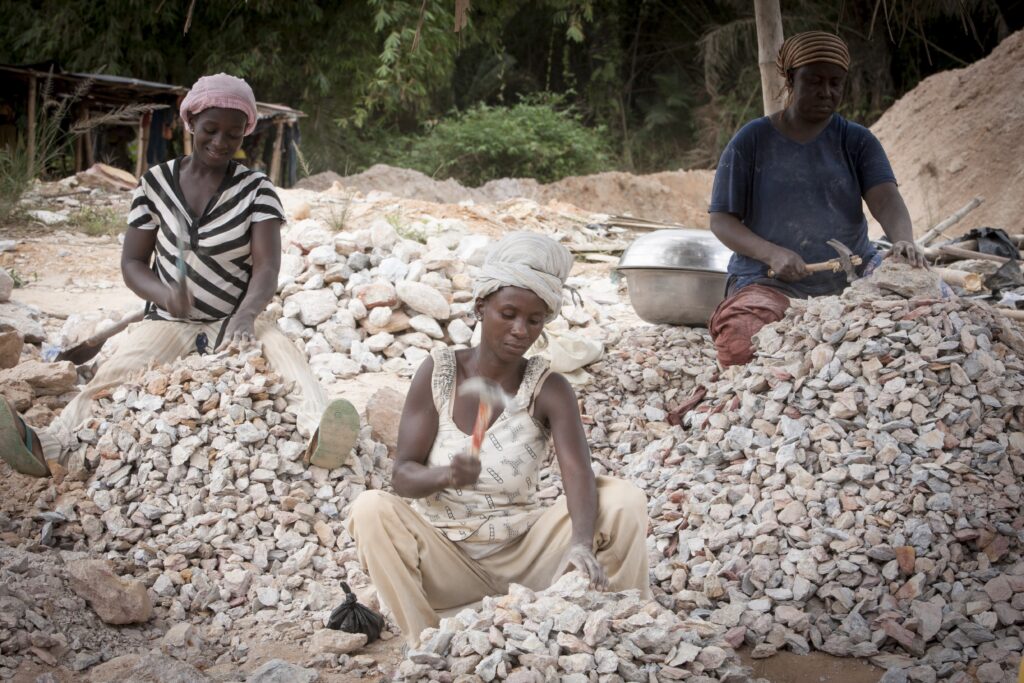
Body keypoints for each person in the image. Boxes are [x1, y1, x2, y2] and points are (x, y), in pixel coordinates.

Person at [0, 73, 358, 477]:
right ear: (190, 124)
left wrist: (247, 314)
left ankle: (321, 436)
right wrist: (164, 293)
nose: (221, 142)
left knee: (287, 360)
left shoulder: (256, 189)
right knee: (116, 372)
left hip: (234, 318)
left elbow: (267, 267)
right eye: (210, 130)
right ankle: (49, 444)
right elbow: (133, 263)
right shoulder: (155, 184)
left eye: (233, 133)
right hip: (168, 318)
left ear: (246, 134)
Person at [347, 232, 651, 647]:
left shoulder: (549, 387)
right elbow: (402, 478)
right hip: (445, 563)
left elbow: (578, 473)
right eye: (507, 314)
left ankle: (629, 624)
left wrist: (580, 542)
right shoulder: (438, 373)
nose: (519, 330)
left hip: (527, 557)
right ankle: (426, 648)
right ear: (480, 307)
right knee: (370, 509)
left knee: (623, 499)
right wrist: (445, 476)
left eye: (534, 320)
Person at [707, 31, 928, 367]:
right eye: (814, 80)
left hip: (854, 277)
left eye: (835, 82)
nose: (826, 91)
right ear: (791, 79)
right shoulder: (752, 140)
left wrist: (904, 241)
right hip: (769, 282)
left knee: (929, 314)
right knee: (740, 343)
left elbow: (885, 200)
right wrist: (771, 253)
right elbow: (721, 220)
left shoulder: (857, 140)